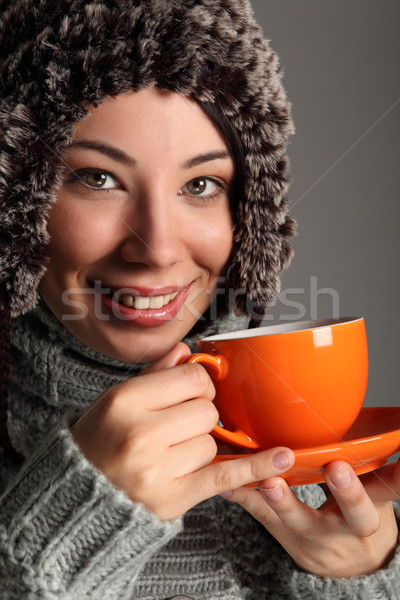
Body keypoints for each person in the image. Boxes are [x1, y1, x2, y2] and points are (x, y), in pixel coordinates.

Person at [0, 1, 399, 598]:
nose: (158, 249)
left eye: (201, 184)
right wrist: (60, 538)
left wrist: (355, 579)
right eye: (98, 178)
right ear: (17, 199)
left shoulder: (313, 465)